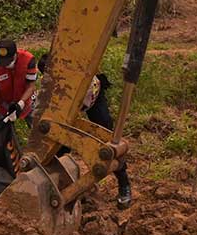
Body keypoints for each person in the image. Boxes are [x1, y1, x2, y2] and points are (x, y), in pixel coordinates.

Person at [38, 55, 132, 209]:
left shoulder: (82, 77)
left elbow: (81, 106)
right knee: (58, 146)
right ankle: (52, 182)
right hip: (69, 109)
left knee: (108, 142)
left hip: (91, 99)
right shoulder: (50, 85)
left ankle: (124, 185)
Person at [0, 39, 39, 129]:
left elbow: (30, 86)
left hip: (27, 101)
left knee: (37, 129)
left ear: (15, 55)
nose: (6, 65)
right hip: (5, 106)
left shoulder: (28, 60)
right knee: (4, 133)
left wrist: (20, 104)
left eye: (8, 61)